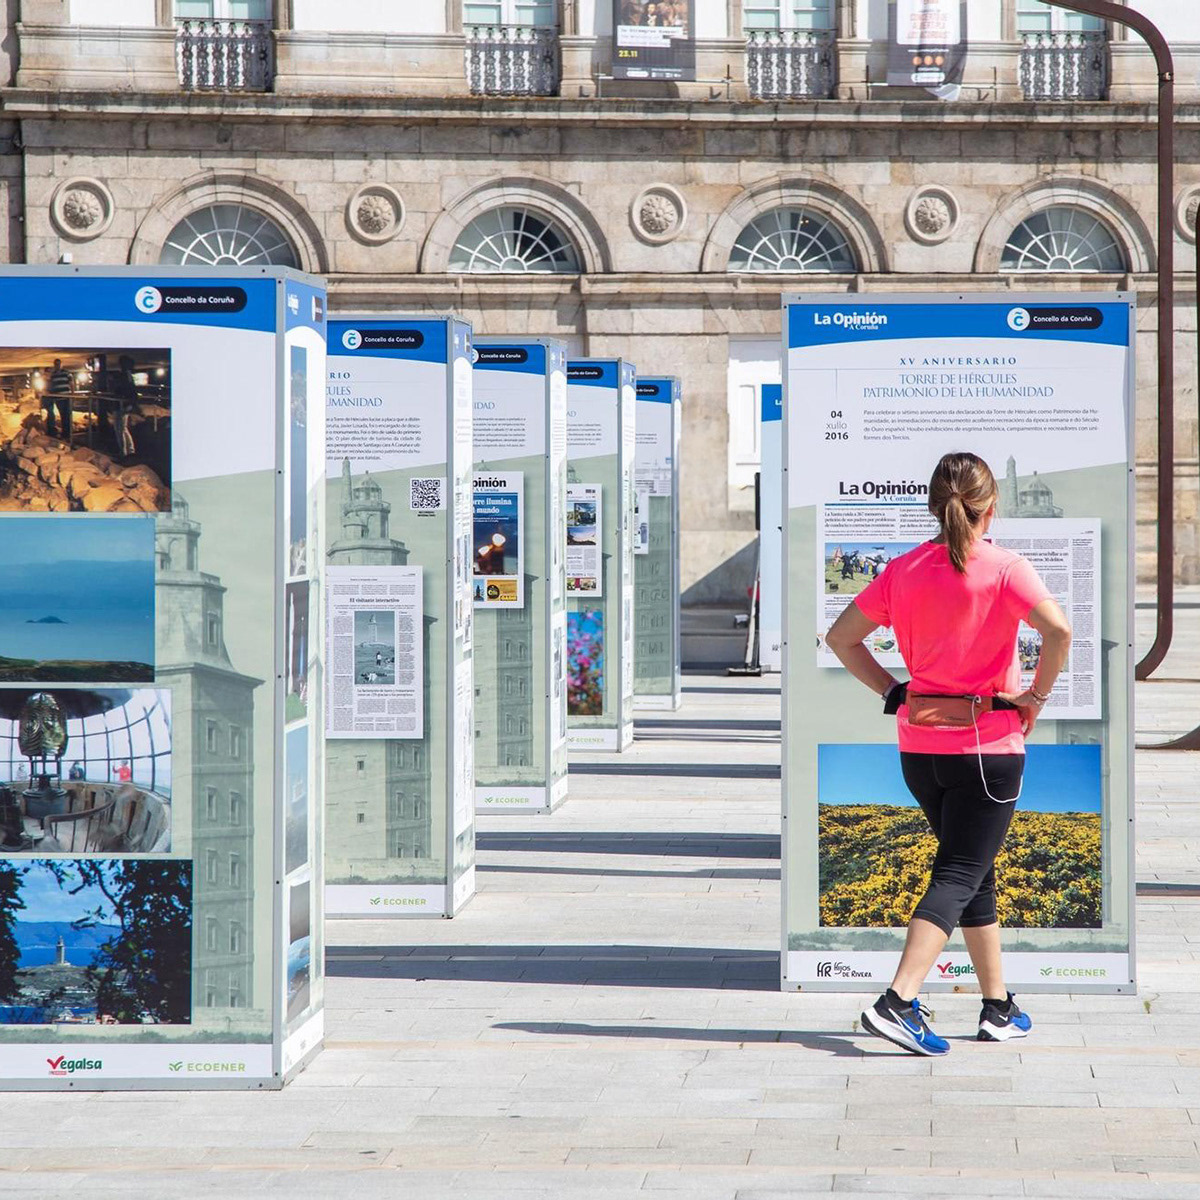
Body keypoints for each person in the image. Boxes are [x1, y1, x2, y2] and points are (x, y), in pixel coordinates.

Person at [824, 451, 1071, 1057]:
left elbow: (841, 638)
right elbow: (1059, 631)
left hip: (920, 750)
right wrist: (1036, 697)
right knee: (960, 871)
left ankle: (997, 1007)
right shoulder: (1005, 568)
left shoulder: (902, 569)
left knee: (973, 872)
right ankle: (898, 1002)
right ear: (992, 506)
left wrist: (893, 691)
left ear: (935, 505)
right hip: (987, 749)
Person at [44, 358, 73, 441]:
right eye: (56, 364)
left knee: (67, 415)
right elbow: (51, 384)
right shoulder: (53, 375)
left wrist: (72, 393)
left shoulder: (66, 372)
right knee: (63, 415)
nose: (57, 366)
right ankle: (65, 433)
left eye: (58, 364)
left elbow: (71, 382)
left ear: (60, 364)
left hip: (66, 397)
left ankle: (67, 433)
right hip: (58, 398)